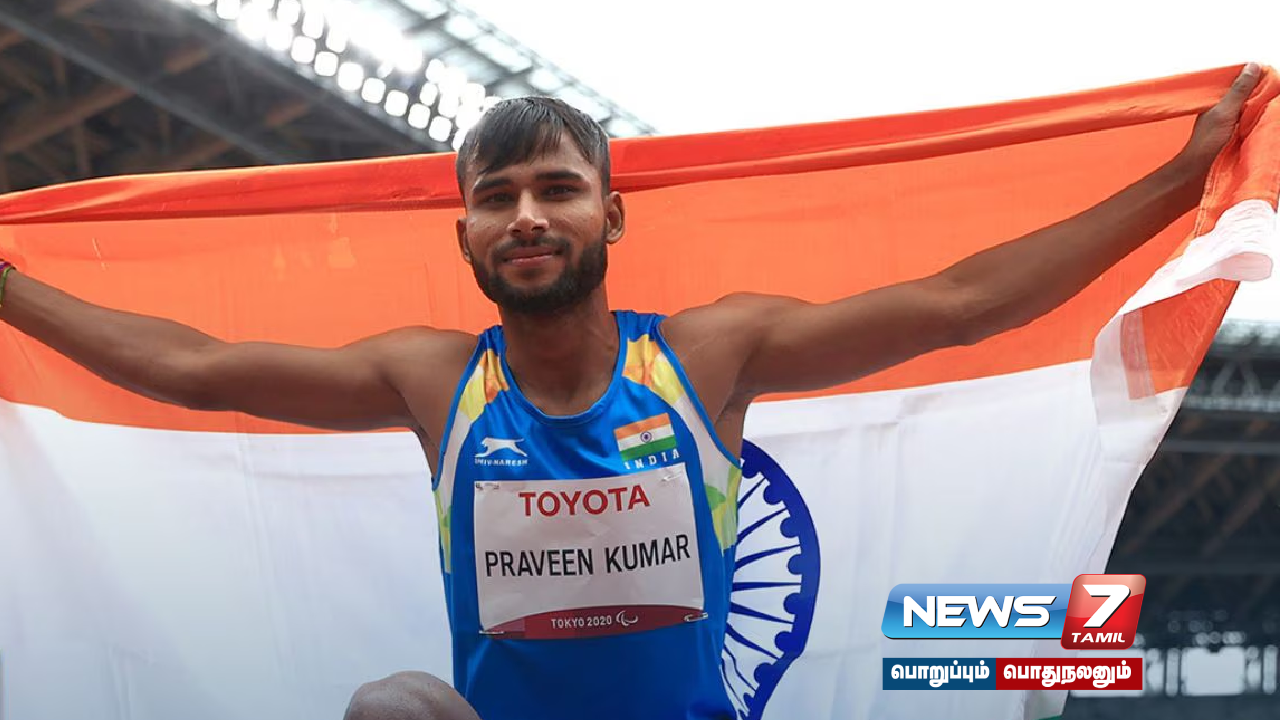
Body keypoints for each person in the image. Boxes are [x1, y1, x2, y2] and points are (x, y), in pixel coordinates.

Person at [0, 64, 1262, 720]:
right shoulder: (436, 383)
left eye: (552, 187)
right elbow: (184, 367)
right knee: (389, 709)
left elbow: (962, 303)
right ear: (465, 239)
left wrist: (1172, 186)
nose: (526, 215)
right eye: (494, 197)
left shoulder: (706, 361)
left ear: (608, 212)